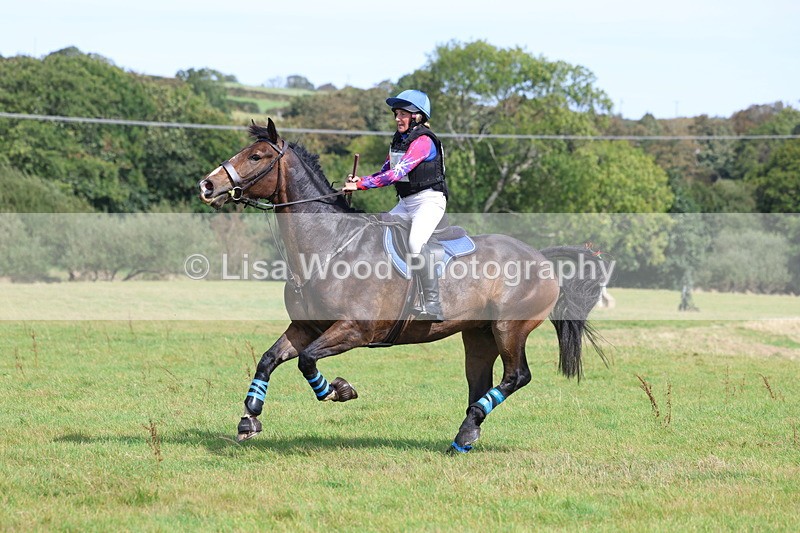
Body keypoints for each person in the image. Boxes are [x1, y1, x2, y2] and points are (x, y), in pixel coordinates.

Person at [343, 89, 448, 321]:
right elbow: (384, 170)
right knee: (377, 233)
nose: (398, 118)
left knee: (415, 242)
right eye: (397, 113)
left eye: (404, 114)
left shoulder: (423, 142)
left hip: (428, 202)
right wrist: (360, 180)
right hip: (406, 202)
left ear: (418, 116)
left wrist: (361, 186)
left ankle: (432, 303)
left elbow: (396, 174)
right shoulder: (400, 140)